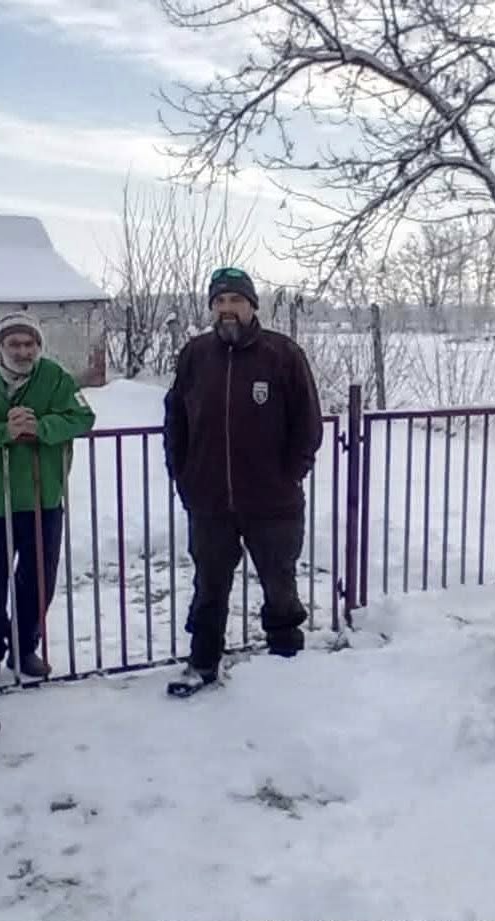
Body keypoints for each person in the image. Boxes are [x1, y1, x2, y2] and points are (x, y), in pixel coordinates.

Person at [162, 267, 324, 696]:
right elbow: (175, 420)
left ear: (252, 305)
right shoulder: (195, 355)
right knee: (209, 587)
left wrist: (289, 476)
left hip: (273, 503)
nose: (227, 309)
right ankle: (202, 663)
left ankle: (287, 664)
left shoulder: (283, 354)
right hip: (210, 502)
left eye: (235, 300)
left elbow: (308, 424)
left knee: (280, 587)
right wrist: (184, 476)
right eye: (219, 301)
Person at [0, 313, 95, 685]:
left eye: (30, 344)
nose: (23, 352)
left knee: (38, 582)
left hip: (45, 499)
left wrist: (41, 428)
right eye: (14, 344)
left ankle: (25, 648)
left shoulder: (55, 377)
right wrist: (2, 431)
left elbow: (82, 417)